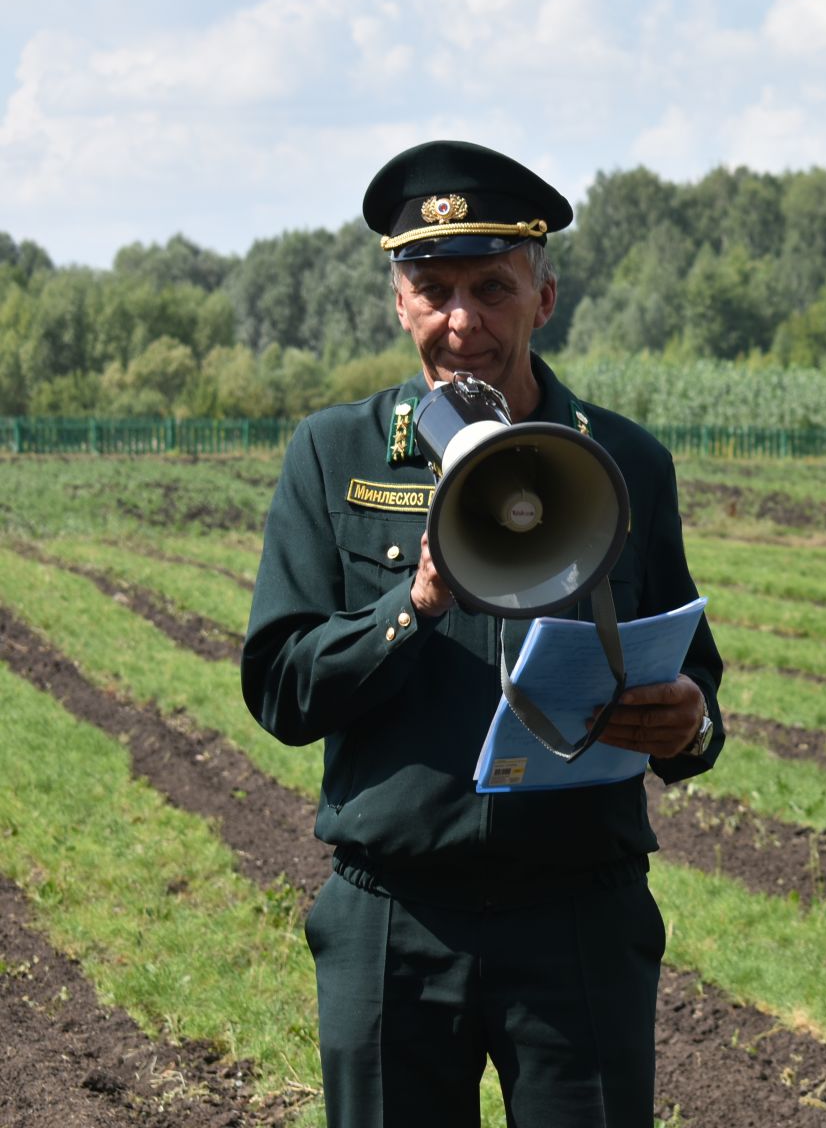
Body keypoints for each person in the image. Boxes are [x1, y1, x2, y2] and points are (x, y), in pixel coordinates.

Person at [242, 139, 723, 1127]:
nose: (462, 321)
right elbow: (284, 690)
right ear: (399, 301)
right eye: (434, 287)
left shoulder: (626, 460)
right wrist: (409, 608)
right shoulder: (334, 455)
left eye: (493, 288)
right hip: (393, 919)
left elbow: (695, 686)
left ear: (543, 298)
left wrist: (690, 723)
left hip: (580, 916)